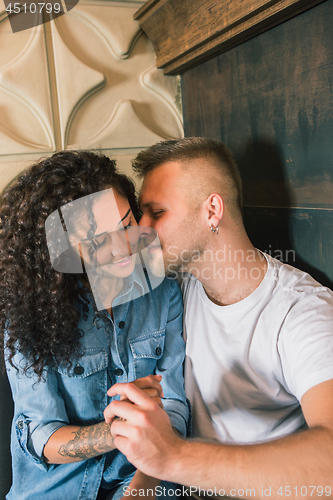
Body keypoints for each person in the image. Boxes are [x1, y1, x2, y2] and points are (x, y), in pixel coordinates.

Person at [104, 138, 333, 499]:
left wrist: (174, 457)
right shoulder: (174, 287)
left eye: (157, 213)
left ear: (212, 210)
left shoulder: (302, 310)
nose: (139, 230)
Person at [0, 150, 188, 500]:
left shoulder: (164, 292)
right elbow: (40, 435)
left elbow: (174, 408)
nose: (122, 249)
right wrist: (118, 430)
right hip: (54, 490)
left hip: (146, 482)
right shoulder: (29, 313)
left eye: (127, 225)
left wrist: (142, 489)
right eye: (98, 240)